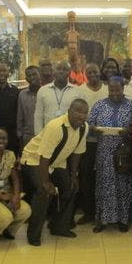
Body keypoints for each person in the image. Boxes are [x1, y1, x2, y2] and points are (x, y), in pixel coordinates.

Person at [21, 99, 89, 246]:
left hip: (57, 162)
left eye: (84, 113)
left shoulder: (84, 127)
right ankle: (33, 235)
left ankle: (59, 226)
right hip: (34, 159)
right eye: (77, 112)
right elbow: (44, 157)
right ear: (69, 111)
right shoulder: (55, 126)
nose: (81, 116)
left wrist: (73, 176)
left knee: (70, 187)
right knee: (43, 192)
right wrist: (46, 182)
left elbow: (77, 153)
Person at [88, 76, 132, 232]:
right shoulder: (99, 105)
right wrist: (94, 129)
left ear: (123, 88)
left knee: (123, 185)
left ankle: (123, 219)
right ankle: (102, 219)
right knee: (104, 185)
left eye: (118, 89)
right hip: (104, 153)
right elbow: (89, 124)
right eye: (111, 89)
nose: (114, 92)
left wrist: (129, 131)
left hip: (123, 152)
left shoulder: (131, 105)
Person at [76, 63, 108, 225]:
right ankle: (88, 212)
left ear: (99, 72)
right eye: (89, 72)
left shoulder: (108, 89)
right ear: (85, 74)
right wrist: (90, 127)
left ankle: (104, 212)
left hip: (106, 142)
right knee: (86, 177)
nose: (93, 74)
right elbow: (78, 113)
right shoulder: (80, 90)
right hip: (86, 142)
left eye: (95, 71)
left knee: (104, 176)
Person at [34, 60, 82, 134]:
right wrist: (38, 136)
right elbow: (38, 116)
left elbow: (81, 115)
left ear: (69, 73)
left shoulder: (77, 91)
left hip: (70, 134)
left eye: (65, 69)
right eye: (58, 69)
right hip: (48, 134)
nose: (61, 71)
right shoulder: (43, 90)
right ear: (53, 71)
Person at [17, 65, 41, 151]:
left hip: (45, 136)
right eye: (29, 75)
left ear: (40, 74)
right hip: (28, 138)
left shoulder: (46, 92)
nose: (32, 77)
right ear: (26, 78)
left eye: (34, 74)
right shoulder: (22, 95)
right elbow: (20, 118)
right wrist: (20, 137)